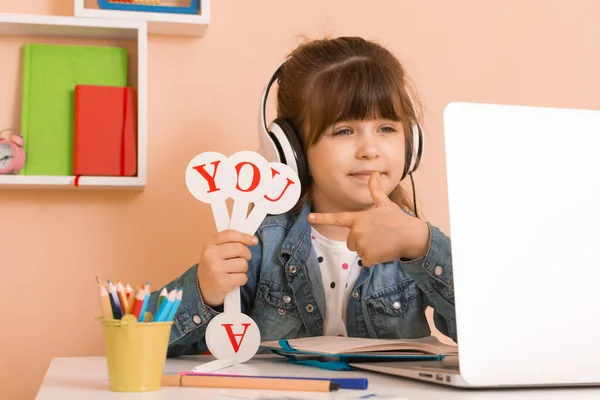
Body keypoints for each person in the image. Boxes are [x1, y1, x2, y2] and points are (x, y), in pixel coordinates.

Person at [146, 36, 456, 357]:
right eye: (344, 131)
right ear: (292, 151)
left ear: (412, 143)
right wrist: (205, 291)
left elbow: (492, 334)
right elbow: (143, 337)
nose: (370, 150)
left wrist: (423, 245)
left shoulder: (415, 243)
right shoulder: (264, 243)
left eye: (387, 128)